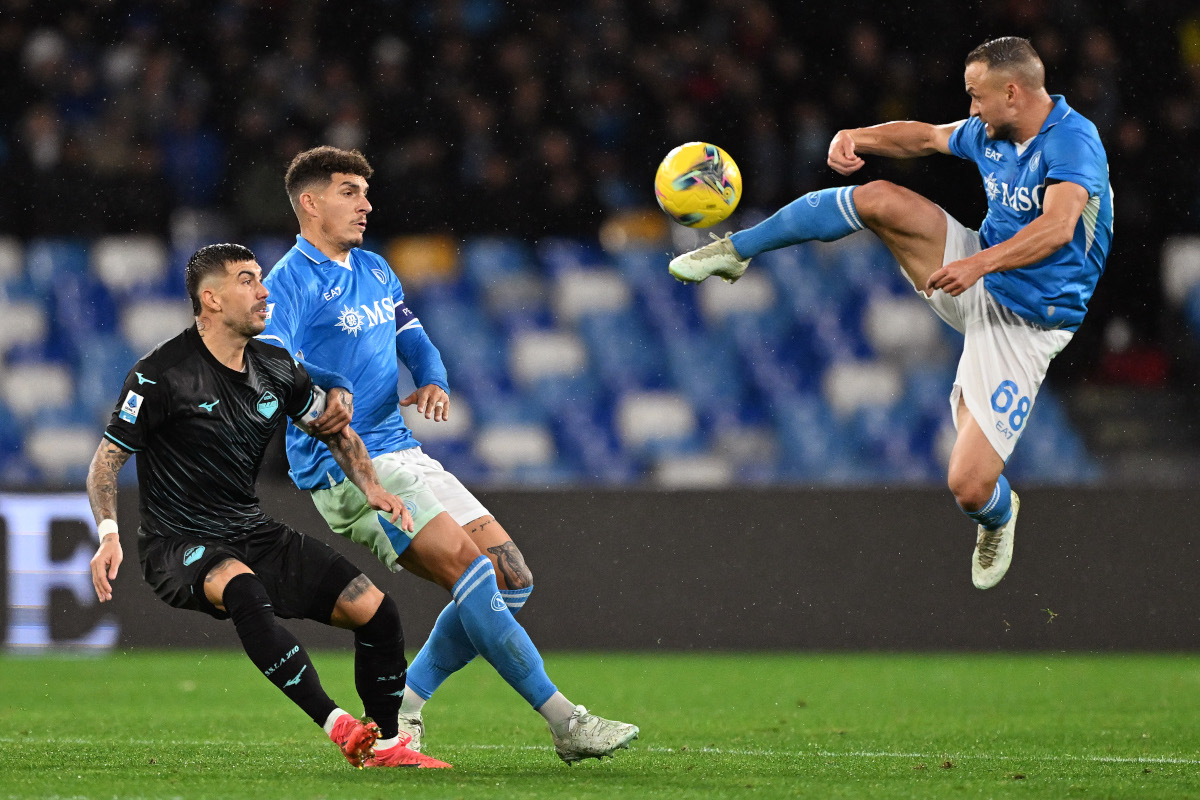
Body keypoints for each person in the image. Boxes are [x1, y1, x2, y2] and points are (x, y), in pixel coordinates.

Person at [669, 37, 1113, 590]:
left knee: (970, 487)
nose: (971, 109)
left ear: (1012, 92)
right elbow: (926, 137)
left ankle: (999, 516)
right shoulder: (993, 131)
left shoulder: (1073, 141)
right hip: (974, 268)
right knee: (878, 197)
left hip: (1026, 322)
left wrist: (979, 264)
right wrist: (859, 136)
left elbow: (1059, 227)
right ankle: (736, 251)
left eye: (976, 97)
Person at [257, 146, 639, 764]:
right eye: (349, 191)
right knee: (472, 574)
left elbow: (414, 337)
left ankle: (405, 702)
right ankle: (565, 721)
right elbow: (275, 359)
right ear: (310, 202)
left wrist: (431, 376)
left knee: (512, 580)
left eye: (365, 191)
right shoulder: (289, 282)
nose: (366, 203)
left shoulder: (378, 269)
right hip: (346, 462)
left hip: (402, 449)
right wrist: (334, 382)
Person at [86, 243, 451, 769]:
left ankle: (390, 745)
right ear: (210, 299)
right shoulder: (159, 374)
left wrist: (371, 486)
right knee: (242, 585)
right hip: (177, 542)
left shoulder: (276, 367)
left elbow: (333, 430)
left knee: (377, 612)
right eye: (247, 281)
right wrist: (109, 534)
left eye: (261, 278)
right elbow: (106, 461)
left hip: (250, 527)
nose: (264, 292)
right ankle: (338, 724)